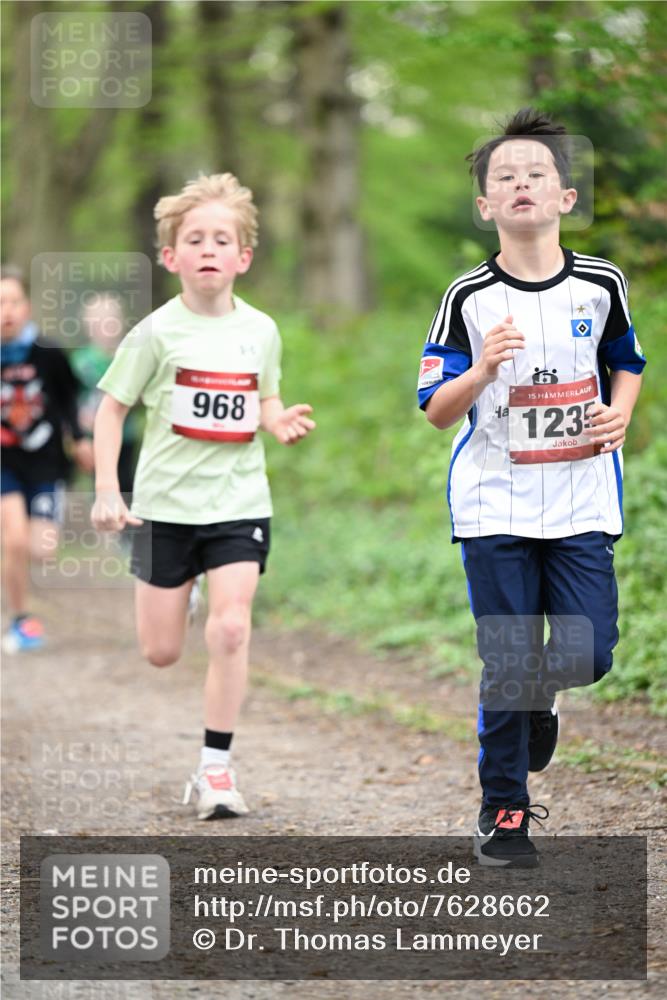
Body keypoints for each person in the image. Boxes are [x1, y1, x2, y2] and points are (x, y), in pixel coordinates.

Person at [416, 109, 645, 867]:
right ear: (484, 205)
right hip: (494, 501)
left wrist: (617, 414)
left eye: (534, 174)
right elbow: (433, 409)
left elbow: (628, 362)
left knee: (590, 655)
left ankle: (546, 695)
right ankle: (503, 812)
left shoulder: (599, 283)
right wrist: (479, 370)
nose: (519, 185)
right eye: (502, 177)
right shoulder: (466, 299)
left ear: (564, 196)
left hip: (581, 496)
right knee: (509, 659)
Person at [91, 173, 315, 819]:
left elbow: (264, 396)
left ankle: (215, 769)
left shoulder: (261, 330)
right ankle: (183, 591)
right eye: (195, 239)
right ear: (172, 257)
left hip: (238, 503)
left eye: (223, 239)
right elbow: (110, 411)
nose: (209, 249)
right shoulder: (155, 334)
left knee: (231, 629)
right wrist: (109, 490)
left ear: (243, 257)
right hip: (164, 509)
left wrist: (274, 420)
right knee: (160, 653)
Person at [1, 265, 93, 652]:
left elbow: (70, 400)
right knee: (16, 541)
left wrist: (83, 438)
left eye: (13, 302)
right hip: (4, 462)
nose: (6, 311)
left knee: (43, 548)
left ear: (29, 307)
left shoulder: (49, 352)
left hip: (46, 462)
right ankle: (20, 618)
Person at [72, 292, 139, 497]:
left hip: (126, 435)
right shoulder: (81, 361)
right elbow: (71, 398)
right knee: (100, 485)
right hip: (94, 436)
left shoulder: (130, 355)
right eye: (98, 321)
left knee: (126, 482)